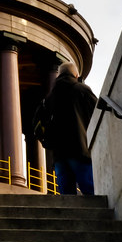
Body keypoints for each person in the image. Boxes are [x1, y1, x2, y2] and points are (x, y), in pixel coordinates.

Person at [43, 61, 97, 195]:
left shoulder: (49, 98)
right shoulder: (82, 90)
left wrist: (46, 142)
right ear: (76, 74)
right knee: (90, 191)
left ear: (59, 75)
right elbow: (98, 112)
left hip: (59, 154)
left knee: (66, 196)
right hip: (79, 149)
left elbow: (39, 122)